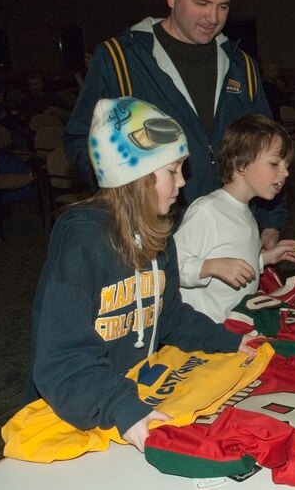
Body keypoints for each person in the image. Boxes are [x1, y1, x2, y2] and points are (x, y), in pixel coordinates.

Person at [25, 97, 256, 453]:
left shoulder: (158, 235)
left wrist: (227, 340)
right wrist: (122, 408)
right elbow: (63, 358)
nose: (182, 181)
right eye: (172, 170)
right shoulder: (81, 241)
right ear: (135, 175)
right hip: (80, 407)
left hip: (128, 400)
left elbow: (170, 315)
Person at [63, 0, 286, 249]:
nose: (213, 17)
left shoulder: (240, 65)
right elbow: (80, 140)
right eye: (202, 3)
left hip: (232, 232)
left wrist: (270, 220)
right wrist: (131, 195)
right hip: (157, 236)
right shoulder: (119, 59)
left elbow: (266, 148)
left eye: (223, 6)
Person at [174, 115, 295, 323]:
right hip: (209, 335)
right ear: (241, 164)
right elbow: (173, 268)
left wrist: (264, 259)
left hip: (237, 327)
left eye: (286, 164)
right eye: (274, 163)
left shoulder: (245, 211)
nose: (285, 172)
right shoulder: (207, 211)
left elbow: (234, 258)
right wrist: (210, 266)